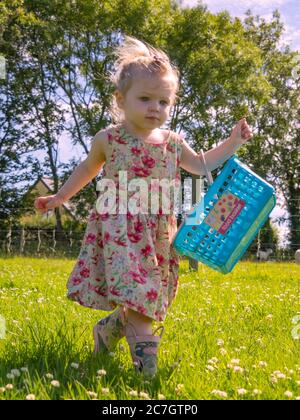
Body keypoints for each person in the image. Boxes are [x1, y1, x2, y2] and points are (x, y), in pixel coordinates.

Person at [34, 35, 253, 378]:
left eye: (164, 102)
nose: (156, 108)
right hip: (120, 230)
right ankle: (144, 374)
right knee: (141, 298)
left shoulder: (173, 142)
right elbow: (87, 170)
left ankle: (107, 331)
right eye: (146, 99)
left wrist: (233, 141)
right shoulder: (108, 139)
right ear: (121, 100)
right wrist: (60, 197)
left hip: (160, 232)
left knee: (154, 297)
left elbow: (201, 165)